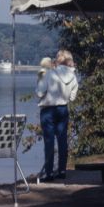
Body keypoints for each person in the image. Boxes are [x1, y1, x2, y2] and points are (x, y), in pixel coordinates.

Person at [35, 49, 79, 182]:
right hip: (63, 109)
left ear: (58, 59)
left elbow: (39, 93)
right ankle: (62, 170)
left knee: (49, 141)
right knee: (62, 140)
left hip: (48, 110)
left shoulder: (48, 74)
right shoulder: (73, 76)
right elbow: (72, 97)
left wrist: (39, 79)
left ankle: (49, 174)